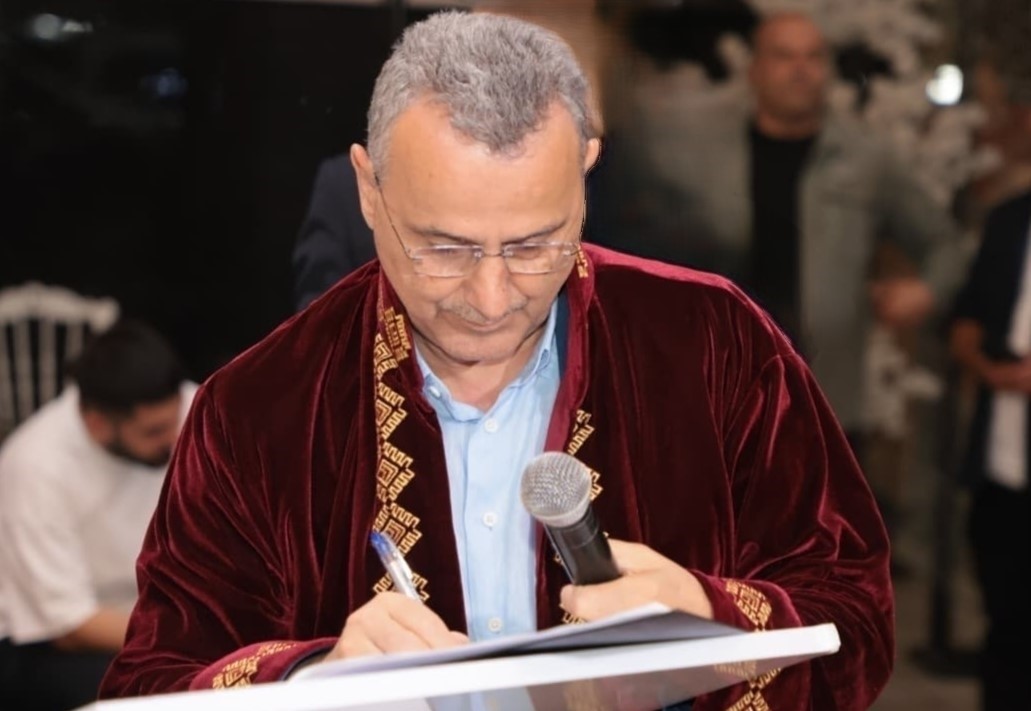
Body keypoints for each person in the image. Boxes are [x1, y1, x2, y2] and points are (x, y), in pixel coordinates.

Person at [99, 12, 893, 709]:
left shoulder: (712, 341)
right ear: (368, 191)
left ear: (585, 172)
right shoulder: (258, 408)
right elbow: (151, 684)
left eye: (534, 245)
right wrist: (312, 678)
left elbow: (854, 614)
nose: (489, 298)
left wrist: (709, 613)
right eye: (442, 248)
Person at [596, 11, 965, 448]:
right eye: (784, 56)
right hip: (717, 390)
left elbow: (944, 242)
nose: (800, 70)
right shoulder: (703, 153)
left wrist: (925, 291)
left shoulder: (865, 157)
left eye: (813, 57)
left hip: (824, 398)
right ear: (754, 69)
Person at [0, 319, 197, 710]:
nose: (175, 438)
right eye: (154, 431)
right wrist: (189, 638)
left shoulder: (193, 408)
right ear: (97, 424)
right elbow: (70, 625)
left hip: (169, 616)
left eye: (175, 419)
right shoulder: (35, 467)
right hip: (50, 641)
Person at [949, 150, 1031, 710]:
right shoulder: (1009, 218)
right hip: (1001, 459)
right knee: (1004, 623)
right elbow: (967, 315)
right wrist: (983, 364)